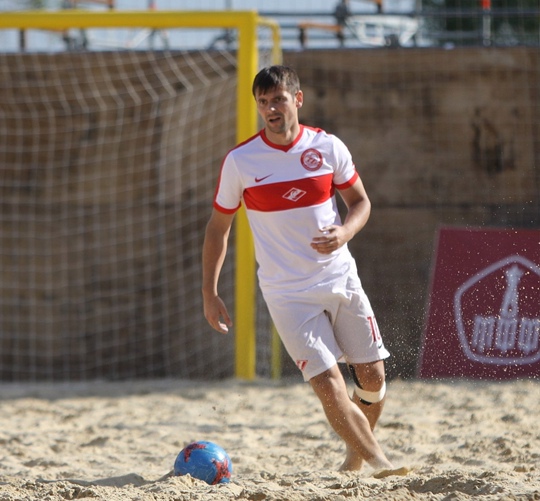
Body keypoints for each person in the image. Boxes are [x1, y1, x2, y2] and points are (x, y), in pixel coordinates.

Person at [202, 65, 407, 477]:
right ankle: (380, 462)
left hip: (340, 277)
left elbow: (361, 202)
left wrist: (344, 232)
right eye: (262, 102)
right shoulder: (241, 160)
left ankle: (355, 457)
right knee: (328, 383)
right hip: (287, 293)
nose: (270, 109)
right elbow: (217, 228)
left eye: (278, 99)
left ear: (297, 99)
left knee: (372, 378)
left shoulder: (327, 147)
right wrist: (210, 292)